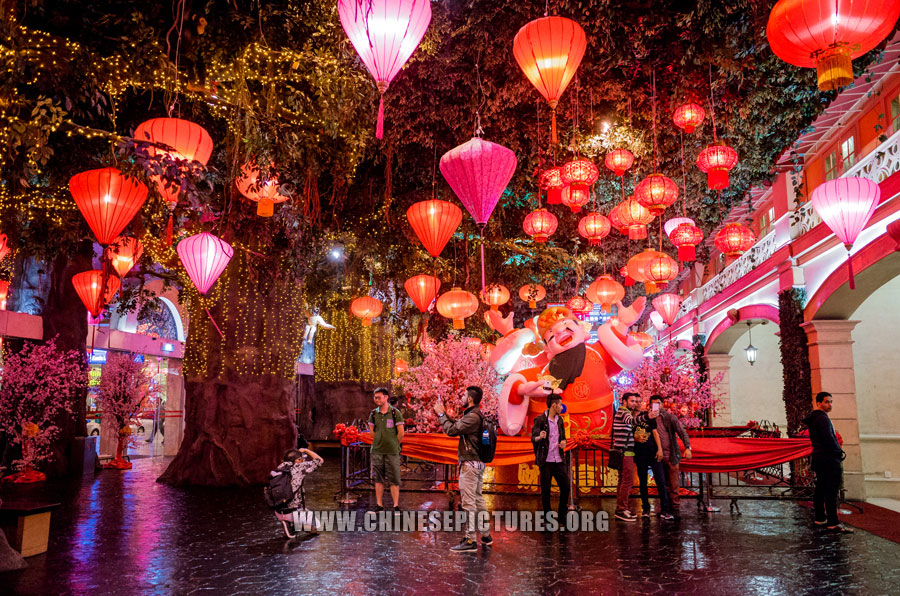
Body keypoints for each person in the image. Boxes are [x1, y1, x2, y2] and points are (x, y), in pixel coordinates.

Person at [434, 385, 493, 552]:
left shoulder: (473, 417)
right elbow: (458, 425)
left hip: (470, 464)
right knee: (478, 500)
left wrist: (440, 414)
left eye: (464, 395)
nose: (461, 397)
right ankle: (486, 535)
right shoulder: (475, 415)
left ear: (470, 399)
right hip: (477, 463)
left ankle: (470, 540)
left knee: (469, 503)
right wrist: (444, 414)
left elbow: (452, 430)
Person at [803, 392, 853, 533]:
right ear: (819, 403)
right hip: (829, 459)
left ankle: (820, 518)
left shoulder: (814, 418)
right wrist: (839, 452)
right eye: (826, 402)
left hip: (819, 458)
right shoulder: (822, 419)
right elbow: (829, 439)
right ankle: (833, 522)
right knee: (831, 490)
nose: (830, 405)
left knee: (820, 489)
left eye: (831, 402)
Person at [612, 392, 658, 522]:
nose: (634, 403)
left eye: (635, 401)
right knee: (627, 481)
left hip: (623, 451)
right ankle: (622, 509)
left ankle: (620, 508)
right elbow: (631, 421)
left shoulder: (621, 412)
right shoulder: (623, 412)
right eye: (631, 401)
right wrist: (647, 416)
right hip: (625, 452)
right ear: (624, 401)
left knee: (622, 481)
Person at [531, 394, 570, 529]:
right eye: (560, 404)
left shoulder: (560, 420)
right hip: (546, 460)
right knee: (546, 490)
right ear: (554, 405)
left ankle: (562, 515)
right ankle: (548, 517)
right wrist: (539, 437)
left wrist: (563, 442)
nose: (561, 407)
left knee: (565, 486)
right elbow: (533, 437)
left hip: (558, 459)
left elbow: (563, 437)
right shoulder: (540, 419)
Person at [633, 396, 674, 520]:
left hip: (653, 452)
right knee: (643, 482)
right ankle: (645, 508)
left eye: (639, 402)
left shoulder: (648, 416)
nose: (637, 404)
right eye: (635, 402)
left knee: (660, 481)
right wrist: (635, 438)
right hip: (639, 453)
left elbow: (655, 432)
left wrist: (660, 449)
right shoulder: (628, 418)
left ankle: (665, 509)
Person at [650, 395, 692, 511]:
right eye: (653, 404)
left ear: (662, 404)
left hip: (671, 455)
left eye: (658, 403)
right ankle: (665, 507)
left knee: (674, 484)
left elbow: (681, 432)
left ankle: (675, 507)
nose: (656, 406)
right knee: (662, 484)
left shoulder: (669, 417)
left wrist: (687, 447)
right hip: (657, 456)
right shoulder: (649, 418)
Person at [367, 387, 405, 513]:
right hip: (377, 451)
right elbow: (371, 432)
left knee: (394, 478)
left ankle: (395, 505)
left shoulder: (395, 413)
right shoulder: (373, 414)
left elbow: (401, 433)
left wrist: (394, 444)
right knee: (379, 478)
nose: (376, 400)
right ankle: (379, 505)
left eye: (379, 397)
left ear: (386, 397)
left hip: (392, 451)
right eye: (375, 397)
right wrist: (378, 440)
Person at [275, 447, 324, 533]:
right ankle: (296, 524)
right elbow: (320, 460)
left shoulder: (279, 467)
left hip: (278, 512)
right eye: (302, 458)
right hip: (294, 512)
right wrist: (306, 450)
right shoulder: (298, 467)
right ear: (298, 460)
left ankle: (290, 524)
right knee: (318, 527)